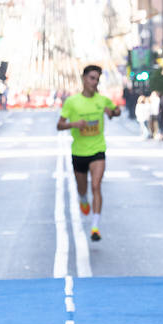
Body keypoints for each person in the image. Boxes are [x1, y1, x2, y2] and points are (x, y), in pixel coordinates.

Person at [57, 64, 121, 242]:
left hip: (98, 150)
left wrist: (112, 113)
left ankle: (95, 227)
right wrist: (74, 124)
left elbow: (117, 110)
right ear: (84, 79)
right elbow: (59, 124)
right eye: (92, 78)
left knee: (96, 186)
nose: (94, 82)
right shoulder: (72, 102)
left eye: (97, 79)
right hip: (78, 152)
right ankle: (83, 199)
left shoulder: (102, 100)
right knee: (83, 189)